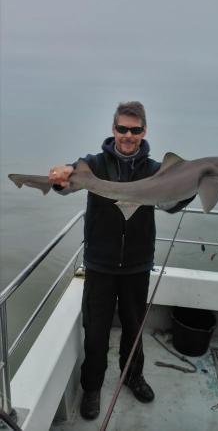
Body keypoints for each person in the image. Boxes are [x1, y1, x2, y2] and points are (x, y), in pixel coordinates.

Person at [49, 101, 194, 420]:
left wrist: (191, 186)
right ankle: (91, 387)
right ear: (113, 129)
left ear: (145, 131)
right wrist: (59, 179)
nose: (128, 135)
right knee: (96, 329)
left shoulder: (156, 170)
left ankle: (132, 375)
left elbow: (170, 205)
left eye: (135, 129)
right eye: (123, 129)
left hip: (137, 264)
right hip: (100, 263)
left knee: (133, 327)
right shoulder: (93, 164)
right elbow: (66, 186)